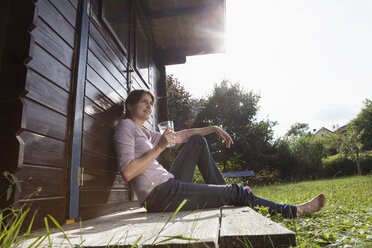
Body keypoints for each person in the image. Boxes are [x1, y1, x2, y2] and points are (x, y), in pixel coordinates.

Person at [113, 89, 326, 218]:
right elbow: (128, 172)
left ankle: (230, 193)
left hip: (167, 185)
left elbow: (183, 135)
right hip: (159, 194)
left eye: (151, 103)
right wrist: (160, 147)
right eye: (144, 102)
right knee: (235, 191)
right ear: (130, 105)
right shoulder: (125, 127)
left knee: (196, 141)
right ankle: (293, 211)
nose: (149, 107)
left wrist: (213, 128)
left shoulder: (143, 131)